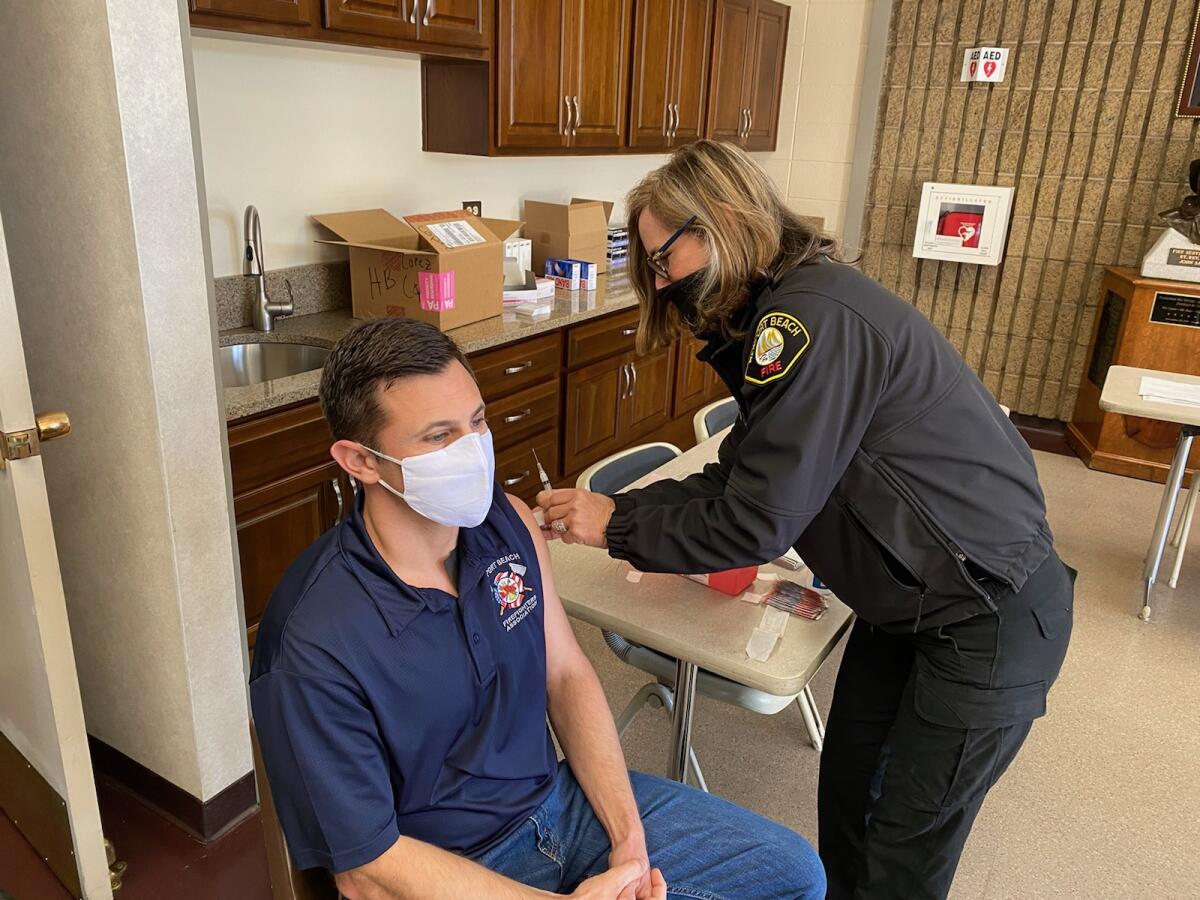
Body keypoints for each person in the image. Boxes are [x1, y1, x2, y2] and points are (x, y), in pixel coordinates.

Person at [536, 140, 1076, 900]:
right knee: (850, 801)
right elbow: (742, 474)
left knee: (899, 857)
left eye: (666, 260)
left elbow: (755, 523)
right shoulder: (788, 309)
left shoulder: (808, 321)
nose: (663, 283)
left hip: (986, 614)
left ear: (722, 219)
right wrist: (618, 509)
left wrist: (614, 529)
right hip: (907, 608)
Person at [249, 317, 826, 900]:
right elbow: (367, 871)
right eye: (438, 436)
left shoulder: (507, 523)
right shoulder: (312, 639)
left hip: (561, 805)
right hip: (450, 869)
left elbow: (566, 672)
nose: (473, 451)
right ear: (361, 461)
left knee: (794, 875)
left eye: (476, 423)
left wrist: (628, 841)